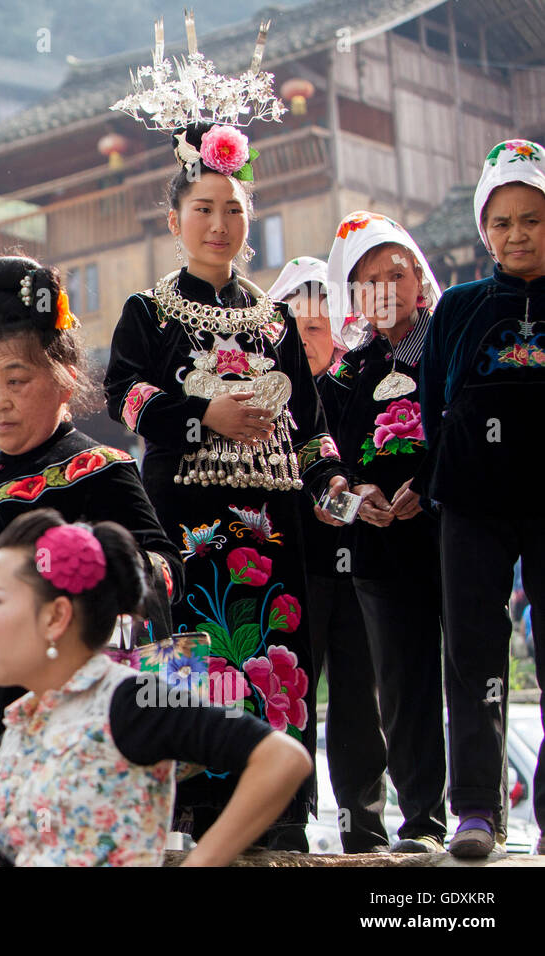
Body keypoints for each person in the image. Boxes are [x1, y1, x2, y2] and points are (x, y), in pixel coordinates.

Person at [103, 122, 351, 850]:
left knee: (277, 655)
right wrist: (202, 413)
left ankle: (280, 814)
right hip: (184, 518)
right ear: (175, 221)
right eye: (204, 209)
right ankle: (201, 820)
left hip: (275, 524)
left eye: (233, 209)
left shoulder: (274, 317)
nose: (219, 224)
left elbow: (311, 426)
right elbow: (125, 395)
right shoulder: (147, 312)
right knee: (195, 657)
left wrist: (334, 481)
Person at [0, 255, 182, 837]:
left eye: (17, 381)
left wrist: (77, 570)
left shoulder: (99, 471)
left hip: (31, 723)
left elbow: (163, 571)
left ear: (65, 377)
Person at [0, 510, 312, 866]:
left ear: (55, 616)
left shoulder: (130, 700)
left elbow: (282, 758)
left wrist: (200, 862)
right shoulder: (22, 719)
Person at [418, 139, 545, 857]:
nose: (517, 234)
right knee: (473, 656)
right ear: (483, 230)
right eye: (502, 223)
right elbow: (436, 405)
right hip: (473, 503)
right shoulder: (460, 309)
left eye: (531, 218)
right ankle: (475, 812)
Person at [321, 212, 447, 853]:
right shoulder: (348, 370)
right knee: (402, 686)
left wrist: (428, 484)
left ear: (419, 279)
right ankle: (423, 822)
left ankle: (484, 811)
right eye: (368, 280)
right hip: (378, 547)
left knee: (477, 669)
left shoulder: (445, 342)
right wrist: (357, 497)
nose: (385, 288)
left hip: (453, 535)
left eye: (396, 272)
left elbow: (464, 419)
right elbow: (328, 460)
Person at [269, 254, 391, 853]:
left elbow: (367, 471)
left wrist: (343, 503)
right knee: (288, 697)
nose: (307, 340)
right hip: (290, 570)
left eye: (319, 328)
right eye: (296, 327)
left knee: (357, 704)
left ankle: (362, 827)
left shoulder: (355, 389)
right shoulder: (265, 401)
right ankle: (286, 818)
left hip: (355, 564)